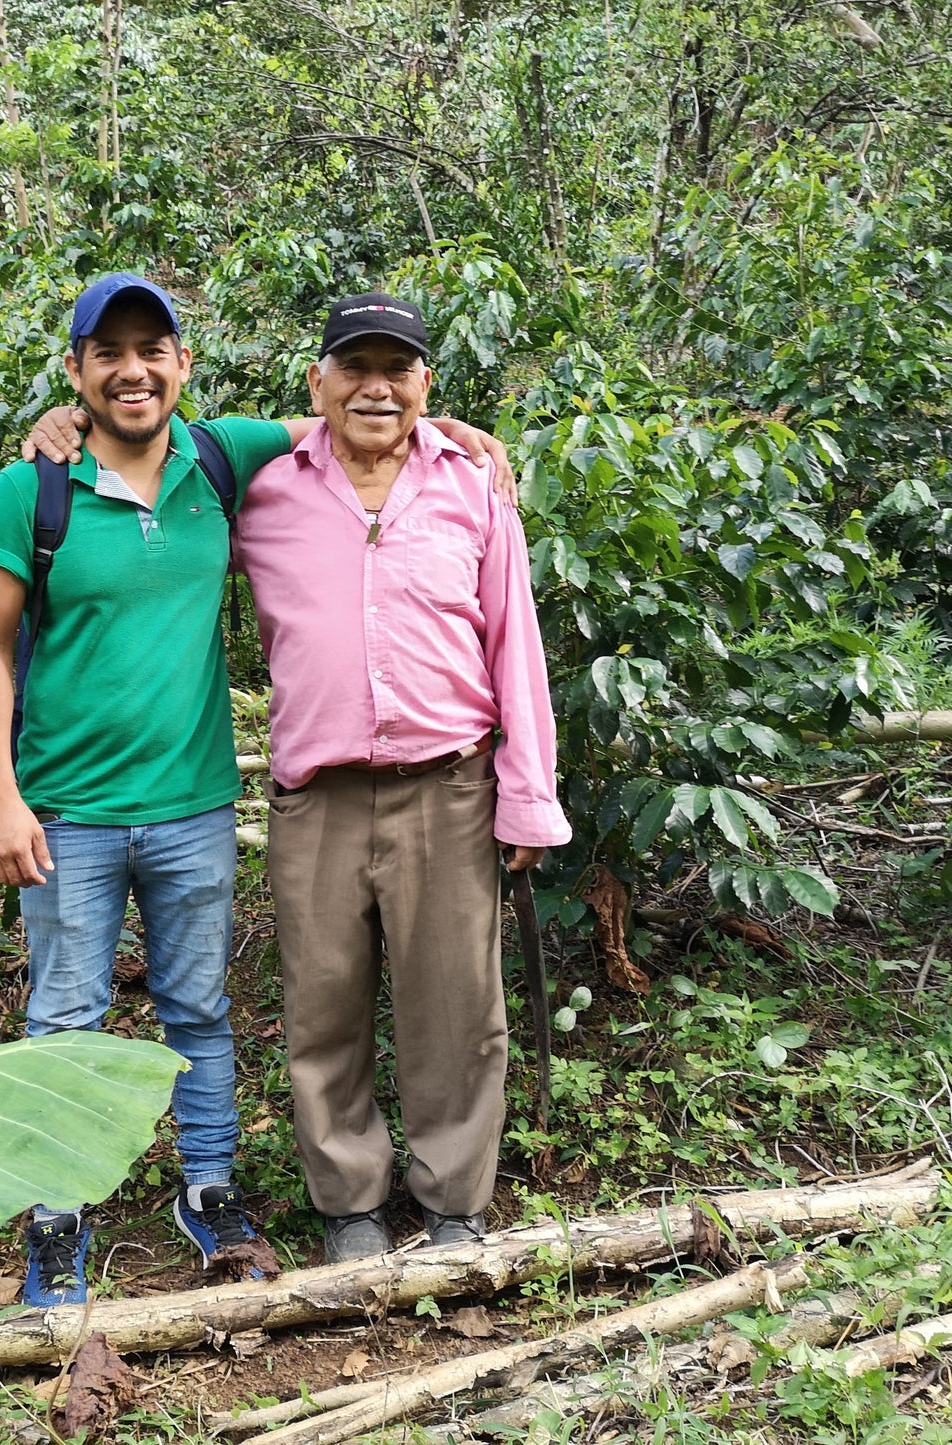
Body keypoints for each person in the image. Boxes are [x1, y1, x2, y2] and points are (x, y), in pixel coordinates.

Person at [0, 273, 508, 1303]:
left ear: (182, 364)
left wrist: (448, 429)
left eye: (151, 350)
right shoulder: (31, 489)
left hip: (193, 801)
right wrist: (1, 792)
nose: (132, 371)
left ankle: (209, 1187)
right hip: (68, 807)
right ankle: (57, 1209)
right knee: (64, 1014)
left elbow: (353, 416)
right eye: (107, 353)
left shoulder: (218, 458)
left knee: (199, 1010)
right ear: (75, 369)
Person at [232, 293, 571, 1263]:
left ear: (426, 383)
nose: (374, 388)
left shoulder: (470, 483)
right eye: (354, 368)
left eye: (397, 370)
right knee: (322, 1003)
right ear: (317, 382)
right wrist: (65, 424)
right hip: (317, 796)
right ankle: (349, 1203)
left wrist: (527, 796)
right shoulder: (262, 488)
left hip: (449, 787)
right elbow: (149, 454)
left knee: (455, 1005)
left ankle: (454, 1198)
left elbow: (514, 646)